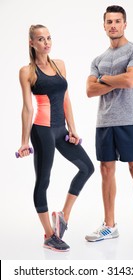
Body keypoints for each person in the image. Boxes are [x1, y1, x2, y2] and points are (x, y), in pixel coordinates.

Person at [17, 24, 94, 252]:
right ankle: (49, 236)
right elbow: (27, 108)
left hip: (61, 130)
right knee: (43, 181)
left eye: (48, 38)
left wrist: (73, 129)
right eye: (40, 39)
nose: (46, 42)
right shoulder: (27, 71)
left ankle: (63, 215)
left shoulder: (59, 65)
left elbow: (66, 100)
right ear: (32, 43)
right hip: (42, 130)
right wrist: (24, 142)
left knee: (87, 168)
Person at [85, 5, 133, 247]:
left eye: (117, 21)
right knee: (106, 171)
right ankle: (109, 225)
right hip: (104, 122)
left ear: (125, 24)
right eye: (109, 22)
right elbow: (89, 90)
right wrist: (116, 80)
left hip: (131, 120)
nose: (113, 25)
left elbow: (131, 79)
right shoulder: (98, 59)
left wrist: (104, 79)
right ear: (104, 26)